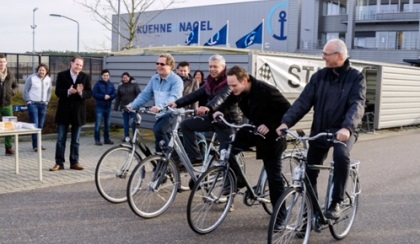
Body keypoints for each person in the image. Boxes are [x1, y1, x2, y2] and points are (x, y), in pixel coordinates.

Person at [276, 38, 366, 219]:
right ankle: (309, 216)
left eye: (325, 53)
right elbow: (303, 101)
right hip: (321, 129)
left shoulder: (356, 77)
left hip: (343, 130)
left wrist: (347, 128)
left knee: (341, 156)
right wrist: (286, 122)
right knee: (309, 172)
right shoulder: (319, 76)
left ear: (338, 55)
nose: (322, 57)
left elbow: (357, 105)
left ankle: (336, 202)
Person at [212, 65, 291, 212]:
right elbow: (227, 103)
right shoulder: (238, 91)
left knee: (274, 177)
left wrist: (271, 125)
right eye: (229, 85)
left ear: (245, 80)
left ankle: (280, 216)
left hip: (273, 136)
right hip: (254, 130)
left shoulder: (265, 90)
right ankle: (239, 181)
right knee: (227, 151)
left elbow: (288, 109)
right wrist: (219, 112)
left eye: (234, 85)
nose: (232, 88)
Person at [167, 54, 243, 165]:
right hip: (213, 117)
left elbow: (221, 97)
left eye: (215, 66)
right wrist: (177, 103)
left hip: (227, 121)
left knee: (226, 155)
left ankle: (236, 181)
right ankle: (196, 157)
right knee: (185, 125)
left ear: (223, 67)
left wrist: (208, 107)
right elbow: (195, 94)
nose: (212, 69)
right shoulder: (209, 81)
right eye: (210, 66)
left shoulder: (228, 81)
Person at [128, 53, 183, 152]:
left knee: (159, 129)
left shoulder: (176, 80)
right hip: (160, 115)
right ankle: (160, 165)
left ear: (170, 66)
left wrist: (160, 106)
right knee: (159, 143)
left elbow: (174, 97)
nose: (159, 66)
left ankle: (172, 160)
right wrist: (132, 105)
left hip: (172, 114)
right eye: (157, 63)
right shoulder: (154, 78)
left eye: (162, 64)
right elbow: (145, 94)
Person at [50, 56, 92, 171]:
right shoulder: (62, 75)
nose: (78, 67)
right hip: (64, 111)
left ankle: (74, 162)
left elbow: (89, 93)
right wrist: (68, 91)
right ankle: (59, 163)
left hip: (78, 112)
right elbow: (57, 92)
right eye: (77, 64)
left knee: (76, 140)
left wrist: (80, 92)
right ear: (71, 63)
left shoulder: (85, 77)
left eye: (80, 65)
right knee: (60, 139)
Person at [23, 63, 52, 152]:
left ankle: (39, 144)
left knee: (40, 125)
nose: (41, 72)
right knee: (35, 125)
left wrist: (47, 101)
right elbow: (25, 90)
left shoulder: (48, 79)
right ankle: (36, 146)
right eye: (40, 70)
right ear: (37, 70)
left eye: (43, 70)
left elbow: (49, 91)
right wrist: (28, 101)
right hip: (33, 104)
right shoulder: (31, 78)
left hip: (43, 104)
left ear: (46, 71)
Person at [0, 54, 19, 156]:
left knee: (9, 127)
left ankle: (8, 147)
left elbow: (16, 86)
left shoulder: (10, 74)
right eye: (0, 62)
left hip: (7, 104)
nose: (1, 64)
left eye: (3, 62)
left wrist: (13, 92)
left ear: (6, 62)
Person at [114, 72, 141, 142]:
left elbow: (139, 96)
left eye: (126, 77)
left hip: (133, 108)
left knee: (133, 123)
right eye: (123, 78)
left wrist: (136, 105)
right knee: (125, 123)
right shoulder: (120, 86)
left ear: (129, 77)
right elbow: (118, 97)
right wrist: (116, 107)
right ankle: (126, 136)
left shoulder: (134, 85)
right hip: (124, 107)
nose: (125, 79)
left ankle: (135, 138)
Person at [92, 69, 117, 145]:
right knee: (98, 125)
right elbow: (94, 94)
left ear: (109, 76)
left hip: (108, 107)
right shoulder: (97, 84)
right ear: (101, 76)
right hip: (100, 107)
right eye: (104, 75)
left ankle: (107, 139)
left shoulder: (111, 85)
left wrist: (110, 97)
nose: (106, 77)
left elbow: (114, 94)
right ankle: (97, 140)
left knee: (107, 125)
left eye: (107, 75)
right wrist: (103, 96)